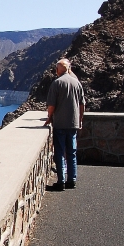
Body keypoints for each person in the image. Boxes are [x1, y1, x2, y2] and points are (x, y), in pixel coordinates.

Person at [44, 58, 85, 191]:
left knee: (60, 152)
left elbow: (51, 105)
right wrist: (80, 120)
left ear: (57, 70)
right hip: (73, 123)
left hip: (60, 124)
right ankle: (72, 179)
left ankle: (61, 181)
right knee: (72, 152)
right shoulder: (77, 83)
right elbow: (82, 104)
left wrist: (50, 117)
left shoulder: (57, 83)